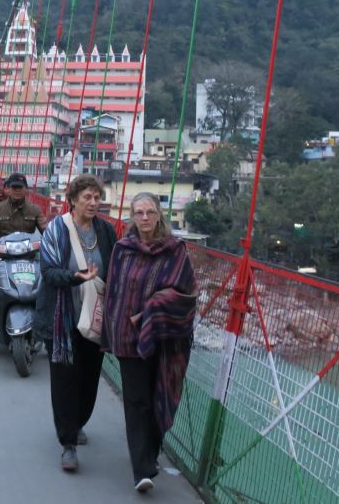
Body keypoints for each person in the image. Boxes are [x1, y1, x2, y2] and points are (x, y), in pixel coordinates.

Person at [102, 193, 196, 494]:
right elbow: (115, 293)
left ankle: (150, 454)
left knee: (160, 394)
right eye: (139, 212)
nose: (144, 218)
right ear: (131, 215)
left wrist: (153, 308)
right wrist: (115, 329)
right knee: (136, 401)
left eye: (150, 212)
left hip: (166, 339)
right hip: (129, 338)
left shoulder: (175, 251)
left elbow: (187, 294)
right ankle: (141, 469)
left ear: (159, 216)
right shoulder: (122, 249)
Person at [37, 175, 118, 473]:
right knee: (65, 380)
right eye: (88, 197)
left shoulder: (106, 232)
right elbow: (48, 273)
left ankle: (79, 420)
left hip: (95, 317)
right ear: (72, 200)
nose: (94, 202)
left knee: (89, 379)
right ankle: (68, 443)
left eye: (97, 197)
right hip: (62, 318)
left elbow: (117, 269)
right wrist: (76, 277)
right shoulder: (56, 230)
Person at [0, 172, 47, 356]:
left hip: (29, 261)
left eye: (20, 187)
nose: (16, 190)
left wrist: (51, 244)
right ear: (7, 189)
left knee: (46, 294)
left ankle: (50, 338)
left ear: (26, 190)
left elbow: (46, 232)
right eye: (13, 187)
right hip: (3, 261)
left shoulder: (35, 210)